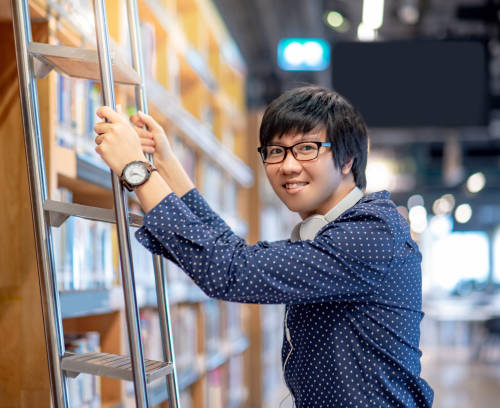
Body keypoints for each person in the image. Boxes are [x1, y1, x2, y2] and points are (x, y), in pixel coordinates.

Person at [93, 85, 434, 407]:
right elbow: (231, 251)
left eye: (306, 148)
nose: (287, 165)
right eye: (275, 151)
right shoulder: (331, 232)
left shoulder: (369, 233)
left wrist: (135, 170)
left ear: (347, 160)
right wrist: (165, 163)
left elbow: (232, 270)